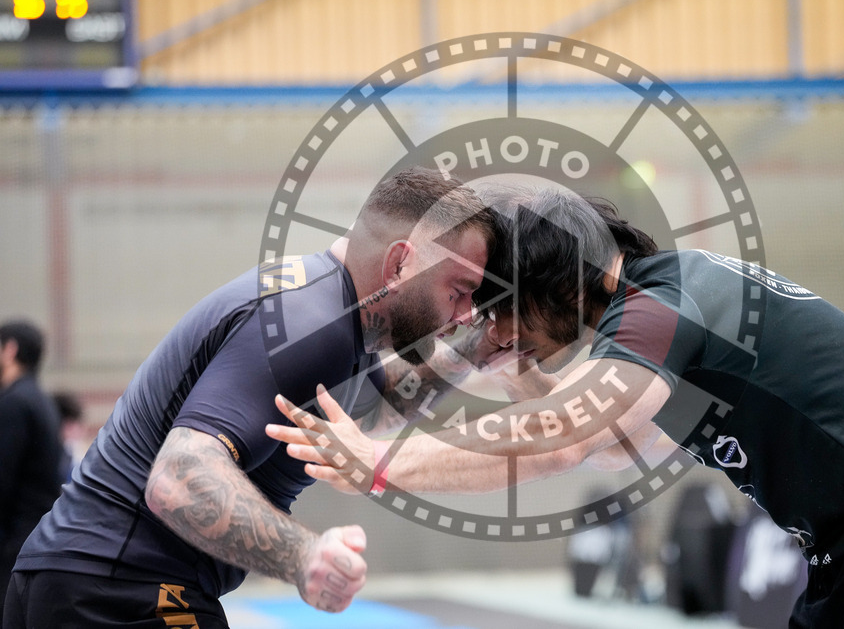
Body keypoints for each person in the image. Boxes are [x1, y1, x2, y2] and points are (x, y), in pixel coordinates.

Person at [270, 182, 844, 628]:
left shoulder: (665, 306)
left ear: (558, 282)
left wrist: (381, 463)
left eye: (502, 310)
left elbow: (566, 438)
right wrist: (515, 373)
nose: (493, 331)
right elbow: (620, 447)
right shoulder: (664, 309)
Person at [3, 167, 496, 628]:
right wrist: (304, 556)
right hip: (121, 588)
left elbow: (377, 407)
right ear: (400, 263)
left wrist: (477, 350)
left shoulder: (332, 311)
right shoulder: (309, 327)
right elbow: (178, 479)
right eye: (459, 290)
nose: (465, 315)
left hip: (82, 577)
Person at [0, 321, 64, 620]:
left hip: (13, 545)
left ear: (10, 349)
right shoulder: (41, 400)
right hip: (36, 538)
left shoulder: (14, 402)